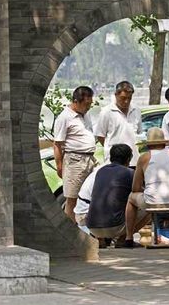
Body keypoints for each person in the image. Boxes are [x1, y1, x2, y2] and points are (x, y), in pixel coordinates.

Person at [125, 127, 169, 248]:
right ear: (164, 142)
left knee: (131, 198)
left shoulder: (144, 158)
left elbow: (135, 188)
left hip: (153, 201)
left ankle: (128, 237)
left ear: (148, 144)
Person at [85, 144, 148, 246]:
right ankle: (124, 239)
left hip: (92, 227)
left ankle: (100, 240)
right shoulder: (130, 173)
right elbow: (140, 192)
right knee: (149, 207)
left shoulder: (101, 171)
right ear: (129, 159)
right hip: (115, 226)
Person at [53, 86, 97, 223]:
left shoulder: (86, 115)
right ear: (76, 101)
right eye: (86, 104)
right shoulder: (65, 117)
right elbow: (57, 144)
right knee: (72, 198)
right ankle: (71, 232)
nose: (88, 107)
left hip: (90, 158)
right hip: (75, 160)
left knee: (95, 192)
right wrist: (59, 166)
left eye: (90, 104)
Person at [94, 81, 141, 168]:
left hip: (133, 160)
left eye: (129, 98)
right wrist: (114, 150)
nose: (126, 101)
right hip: (114, 161)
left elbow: (138, 132)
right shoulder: (106, 112)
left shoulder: (136, 110)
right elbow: (100, 136)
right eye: (123, 98)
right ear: (116, 95)